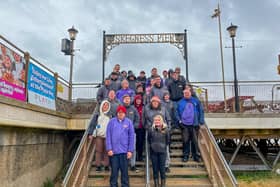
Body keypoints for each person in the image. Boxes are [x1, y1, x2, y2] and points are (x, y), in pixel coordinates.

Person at [106, 105, 135, 187]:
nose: (121, 114)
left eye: (122, 113)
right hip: (114, 152)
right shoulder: (111, 122)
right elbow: (108, 136)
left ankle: (125, 185)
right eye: (119, 112)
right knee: (114, 172)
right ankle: (113, 185)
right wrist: (109, 149)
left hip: (124, 152)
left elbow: (131, 137)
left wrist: (130, 150)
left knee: (124, 172)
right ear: (117, 113)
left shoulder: (129, 122)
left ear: (125, 114)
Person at [176, 87, 205, 162]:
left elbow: (201, 111)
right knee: (185, 141)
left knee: (194, 141)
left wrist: (201, 121)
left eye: (188, 93)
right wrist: (179, 121)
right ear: (183, 94)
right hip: (184, 125)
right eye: (185, 93)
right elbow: (176, 113)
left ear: (190, 93)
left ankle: (196, 156)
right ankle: (186, 155)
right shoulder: (180, 102)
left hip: (194, 124)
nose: (186, 94)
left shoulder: (196, 101)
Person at [88, 100, 112, 172]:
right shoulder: (97, 115)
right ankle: (98, 165)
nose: (105, 106)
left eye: (107, 105)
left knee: (107, 151)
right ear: (101, 106)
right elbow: (92, 124)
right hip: (99, 136)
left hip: (107, 136)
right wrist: (90, 133)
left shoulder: (110, 115)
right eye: (104, 105)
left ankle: (106, 165)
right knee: (98, 151)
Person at [148, 114, 170, 187]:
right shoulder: (151, 129)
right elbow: (149, 139)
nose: (157, 121)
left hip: (162, 152)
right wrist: (152, 145)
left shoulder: (166, 129)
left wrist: (163, 146)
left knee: (162, 169)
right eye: (156, 120)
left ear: (161, 121)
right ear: (154, 121)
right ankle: (156, 184)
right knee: (155, 169)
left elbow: (168, 140)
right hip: (153, 152)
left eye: (158, 120)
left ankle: (163, 184)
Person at [122, 94, 140, 172]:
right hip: (122, 133)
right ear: (123, 100)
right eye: (125, 99)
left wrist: (133, 127)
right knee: (123, 148)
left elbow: (137, 119)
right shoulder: (120, 108)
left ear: (130, 100)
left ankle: (133, 165)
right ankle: (124, 164)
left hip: (132, 133)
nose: (127, 100)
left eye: (128, 99)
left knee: (133, 148)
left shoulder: (133, 109)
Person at [133, 94, 145, 162]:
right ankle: (135, 156)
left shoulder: (143, 107)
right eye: (137, 100)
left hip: (141, 127)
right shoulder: (133, 107)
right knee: (135, 143)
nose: (138, 101)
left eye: (139, 100)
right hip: (134, 128)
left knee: (141, 142)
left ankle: (140, 156)